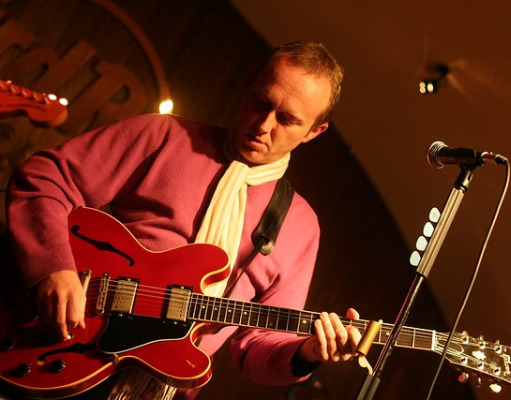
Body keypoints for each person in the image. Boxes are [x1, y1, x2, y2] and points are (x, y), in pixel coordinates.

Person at [5, 41, 361, 399]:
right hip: (60, 340)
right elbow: (43, 178)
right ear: (249, 83)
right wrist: (54, 268)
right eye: (262, 102)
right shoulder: (163, 137)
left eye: (287, 120)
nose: (265, 125)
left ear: (315, 131)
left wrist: (307, 353)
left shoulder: (299, 225)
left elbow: (256, 348)